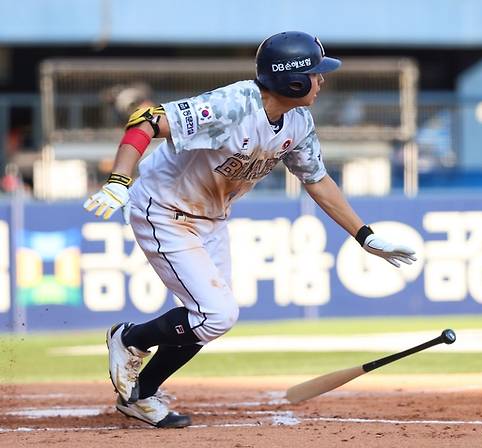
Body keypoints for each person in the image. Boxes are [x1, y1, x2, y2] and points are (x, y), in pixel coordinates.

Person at [83, 31, 417, 429]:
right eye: (314, 73)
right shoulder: (231, 106)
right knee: (216, 315)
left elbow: (317, 180)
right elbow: (146, 122)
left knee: (208, 319)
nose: (321, 80)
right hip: (164, 209)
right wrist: (119, 180)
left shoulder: (298, 120)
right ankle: (129, 338)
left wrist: (365, 235)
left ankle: (140, 395)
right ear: (291, 80)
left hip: (210, 217)